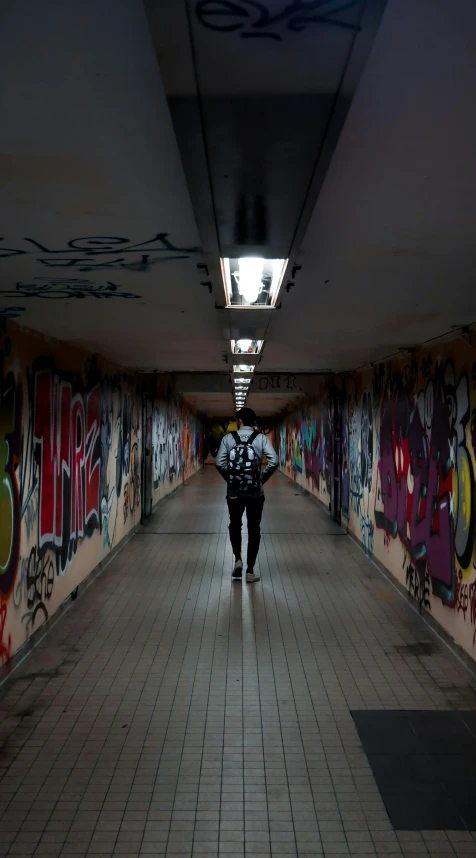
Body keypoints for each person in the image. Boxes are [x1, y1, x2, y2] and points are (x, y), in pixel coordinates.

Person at [216, 407, 278, 583]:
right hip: (255, 492)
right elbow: (274, 461)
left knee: (235, 525)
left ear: (240, 421)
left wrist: (230, 479)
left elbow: (220, 463)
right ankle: (250, 571)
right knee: (254, 529)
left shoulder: (229, 438)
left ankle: (237, 559)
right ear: (254, 422)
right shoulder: (261, 438)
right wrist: (261, 479)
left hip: (234, 492)